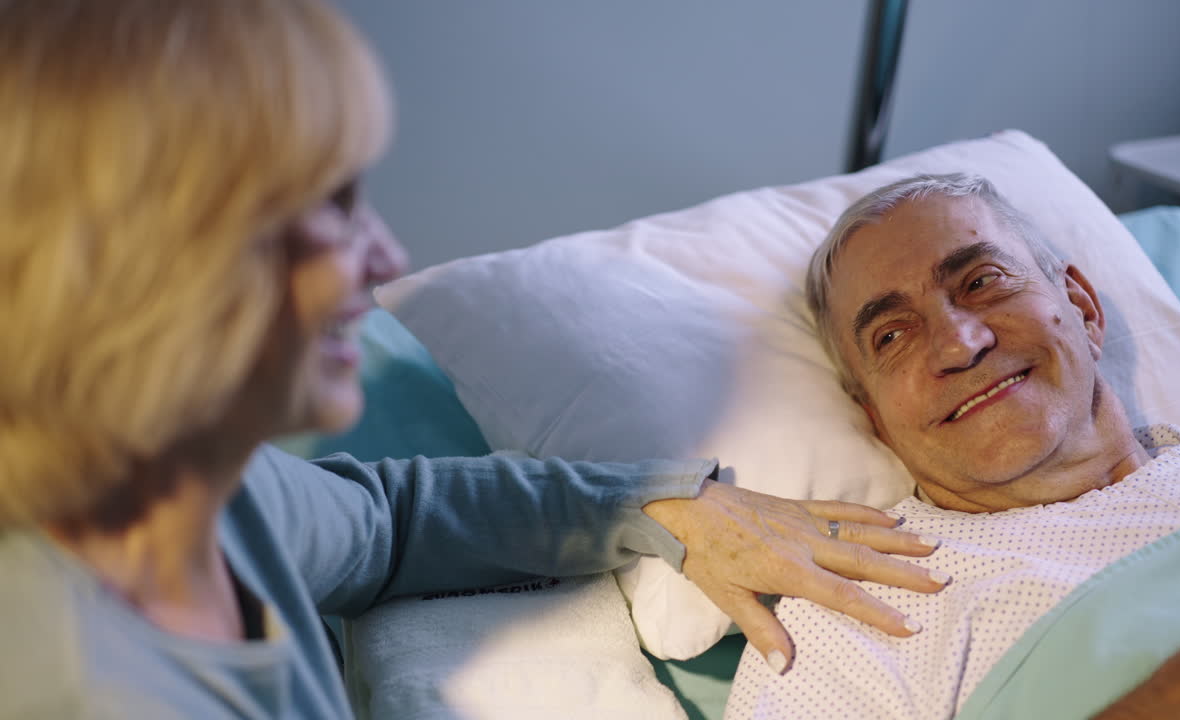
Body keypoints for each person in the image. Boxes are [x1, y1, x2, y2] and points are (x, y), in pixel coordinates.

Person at [0, 1, 950, 717]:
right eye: (333, 209)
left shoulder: (200, 490)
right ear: (158, 258)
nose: (386, 260)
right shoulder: (81, 681)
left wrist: (665, 505)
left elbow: (387, 524)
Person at [725, 173, 1180, 718]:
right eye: (891, 336)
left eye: (980, 282)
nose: (960, 345)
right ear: (875, 418)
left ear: (1082, 308)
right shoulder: (847, 618)